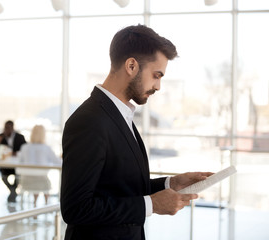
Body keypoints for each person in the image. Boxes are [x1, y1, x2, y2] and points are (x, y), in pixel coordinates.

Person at [60, 24, 213, 240]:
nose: (158, 86)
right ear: (131, 66)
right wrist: (152, 204)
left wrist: (171, 184)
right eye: (156, 75)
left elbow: (118, 187)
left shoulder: (120, 114)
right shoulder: (89, 120)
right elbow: (76, 208)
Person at [17, 125, 61, 207]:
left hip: (26, 181)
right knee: (44, 182)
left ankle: (35, 204)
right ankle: (46, 206)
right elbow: (57, 162)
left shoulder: (24, 147)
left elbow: (19, 163)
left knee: (36, 181)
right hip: (41, 180)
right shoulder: (46, 148)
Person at [0, 120, 26, 203]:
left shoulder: (20, 137)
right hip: (5, 165)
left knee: (18, 177)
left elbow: (25, 151)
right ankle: (13, 191)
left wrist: (15, 153)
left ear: (13, 128)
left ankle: (13, 192)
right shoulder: (0, 137)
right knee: (3, 176)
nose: (7, 130)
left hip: (17, 165)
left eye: (8, 128)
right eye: (5, 128)